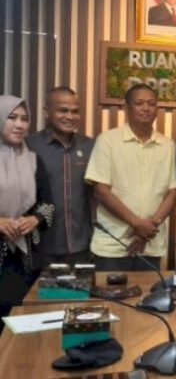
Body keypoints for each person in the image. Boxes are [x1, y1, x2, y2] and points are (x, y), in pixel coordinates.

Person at [85, 84, 176, 271]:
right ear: (126, 107)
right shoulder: (107, 141)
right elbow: (101, 192)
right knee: (110, 291)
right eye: (139, 103)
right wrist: (138, 224)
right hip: (113, 243)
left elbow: (173, 194)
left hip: (151, 243)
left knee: (149, 291)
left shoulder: (168, 146)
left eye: (151, 104)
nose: (146, 108)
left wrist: (147, 230)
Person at [0, 95, 54, 331]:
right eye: (11, 117)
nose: (19, 125)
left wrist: (35, 219)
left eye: (24, 119)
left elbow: (48, 204)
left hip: (26, 258)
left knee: (23, 323)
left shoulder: (33, 160)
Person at [26, 87, 95, 268]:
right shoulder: (28, 146)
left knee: (79, 288)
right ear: (46, 112)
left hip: (80, 245)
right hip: (39, 245)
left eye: (75, 111)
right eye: (62, 110)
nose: (70, 116)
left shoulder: (90, 146)